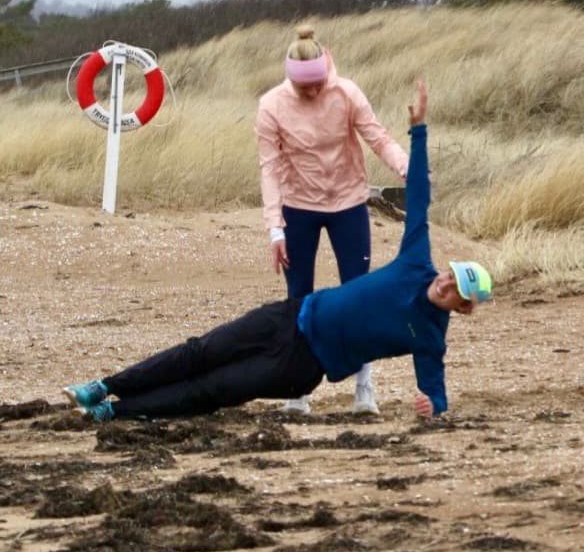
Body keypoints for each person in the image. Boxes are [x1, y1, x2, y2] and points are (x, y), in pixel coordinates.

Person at [63, 82, 493, 425]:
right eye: (453, 274)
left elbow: (435, 391)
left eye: (458, 289)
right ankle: (103, 386)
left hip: (301, 366)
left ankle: (113, 412)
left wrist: (432, 407)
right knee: (198, 352)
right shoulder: (418, 262)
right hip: (291, 314)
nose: (447, 282)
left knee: (214, 389)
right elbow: (419, 197)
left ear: (464, 308)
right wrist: (418, 131)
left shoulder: (431, 338)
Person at [255, 23, 409, 416]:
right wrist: (275, 228)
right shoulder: (272, 105)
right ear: (291, 79)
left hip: (348, 204)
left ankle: (364, 388)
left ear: (326, 71)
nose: (312, 92)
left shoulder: (346, 93)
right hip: (298, 207)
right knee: (298, 299)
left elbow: (378, 138)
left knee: (357, 296)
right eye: (304, 87)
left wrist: (407, 168)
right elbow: (269, 169)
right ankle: (298, 391)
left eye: (317, 84)